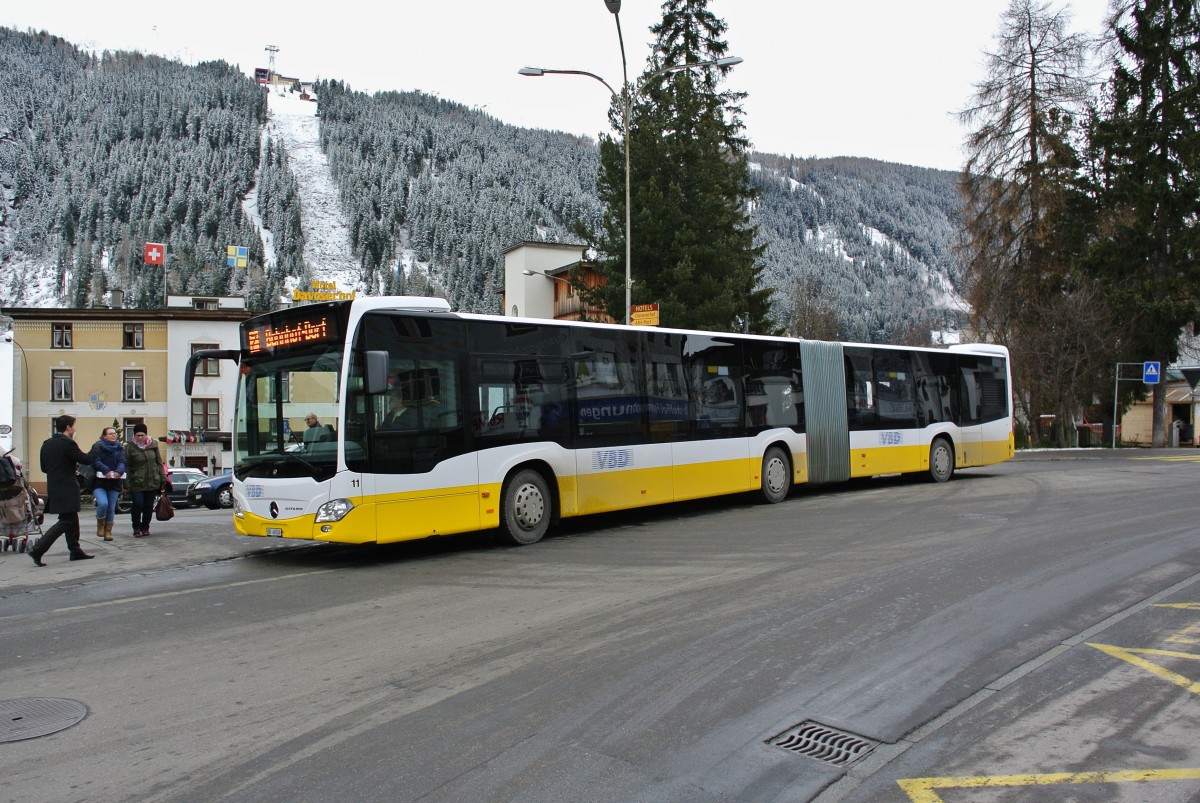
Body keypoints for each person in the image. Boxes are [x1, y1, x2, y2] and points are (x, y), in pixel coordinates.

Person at [29, 414, 94, 566]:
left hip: (54, 486)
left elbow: (44, 468)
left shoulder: (47, 443)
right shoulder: (68, 443)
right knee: (65, 521)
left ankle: (75, 550)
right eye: (73, 426)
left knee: (71, 518)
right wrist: (96, 449)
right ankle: (38, 549)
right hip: (68, 486)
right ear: (68, 427)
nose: (74, 429)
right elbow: (86, 459)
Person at [125, 423, 165, 538]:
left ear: (146, 435)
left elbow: (159, 462)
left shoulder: (153, 445)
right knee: (137, 504)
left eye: (142, 435)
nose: (140, 438)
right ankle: (136, 527)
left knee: (148, 506)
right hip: (137, 482)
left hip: (152, 481)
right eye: (137, 435)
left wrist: (162, 478)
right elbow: (127, 466)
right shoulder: (129, 447)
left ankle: (145, 527)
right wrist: (127, 483)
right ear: (134, 435)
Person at [89, 426, 126, 541]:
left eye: (114, 433)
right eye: (110, 434)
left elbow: (122, 461)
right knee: (103, 503)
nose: (113, 435)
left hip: (114, 482)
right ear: (104, 436)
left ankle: (108, 531)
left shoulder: (119, 448)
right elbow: (96, 461)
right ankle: (100, 524)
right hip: (100, 481)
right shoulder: (98, 446)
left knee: (111, 507)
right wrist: (107, 471)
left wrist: (119, 471)